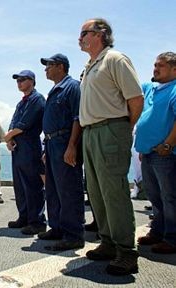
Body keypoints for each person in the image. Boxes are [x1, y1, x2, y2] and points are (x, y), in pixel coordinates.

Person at [78, 18, 143, 275]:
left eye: (84, 32)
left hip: (110, 129)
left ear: (101, 34)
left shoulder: (115, 59)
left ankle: (127, 252)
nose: (80, 37)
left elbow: (135, 99)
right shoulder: (90, 65)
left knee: (114, 192)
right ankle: (107, 242)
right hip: (91, 132)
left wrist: (122, 129)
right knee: (96, 192)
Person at [39, 53, 85, 251]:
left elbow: (77, 118)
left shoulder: (72, 87)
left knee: (68, 190)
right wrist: (46, 147)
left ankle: (74, 235)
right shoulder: (55, 90)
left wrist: (72, 145)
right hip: (51, 144)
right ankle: (57, 227)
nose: (45, 69)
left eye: (48, 65)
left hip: (64, 141)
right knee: (54, 190)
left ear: (60, 66)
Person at [135, 52, 176, 254]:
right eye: (154, 65)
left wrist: (167, 145)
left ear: (174, 69)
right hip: (148, 153)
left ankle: (172, 238)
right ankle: (157, 232)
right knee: (154, 196)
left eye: (160, 65)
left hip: (164, 154)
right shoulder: (151, 88)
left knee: (169, 197)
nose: (155, 69)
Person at [5, 70, 46, 235]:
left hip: (30, 145)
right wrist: (10, 139)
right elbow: (13, 121)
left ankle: (37, 221)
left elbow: (24, 123)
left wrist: (9, 135)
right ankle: (24, 216)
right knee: (20, 185)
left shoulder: (37, 99)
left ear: (32, 81)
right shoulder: (21, 103)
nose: (19, 83)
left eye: (22, 80)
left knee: (32, 185)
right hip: (18, 147)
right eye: (17, 80)